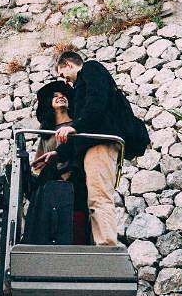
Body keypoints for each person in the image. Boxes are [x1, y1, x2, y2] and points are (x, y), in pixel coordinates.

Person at [54, 51, 125, 247]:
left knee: (99, 197)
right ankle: (101, 244)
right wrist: (57, 153)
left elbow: (96, 104)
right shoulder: (81, 85)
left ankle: (107, 246)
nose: (65, 81)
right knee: (95, 197)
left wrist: (75, 126)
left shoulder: (91, 69)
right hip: (94, 143)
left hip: (99, 144)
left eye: (62, 74)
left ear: (68, 64)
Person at [29, 80, 90, 245]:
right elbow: (38, 163)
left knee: (77, 215)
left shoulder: (77, 125)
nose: (60, 97)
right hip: (54, 180)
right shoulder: (47, 132)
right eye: (55, 96)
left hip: (77, 177)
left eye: (63, 95)